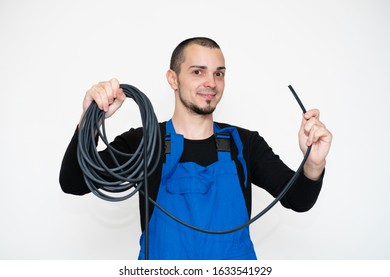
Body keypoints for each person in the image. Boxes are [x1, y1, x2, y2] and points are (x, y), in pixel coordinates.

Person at [59, 37, 332, 260]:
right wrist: (90, 119)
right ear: (173, 79)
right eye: (197, 72)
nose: (211, 83)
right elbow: (73, 182)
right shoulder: (145, 142)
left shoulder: (245, 144)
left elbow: (298, 200)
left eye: (218, 73)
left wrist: (314, 164)